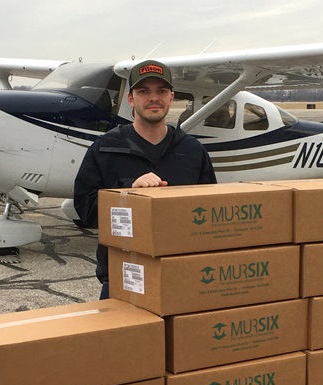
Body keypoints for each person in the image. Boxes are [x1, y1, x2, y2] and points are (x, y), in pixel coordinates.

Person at [74, 59, 217, 298]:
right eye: (143, 91)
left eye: (161, 91)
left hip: (180, 276)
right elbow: (85, 210)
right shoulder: (105, 147)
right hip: (121, 278)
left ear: (171, 97)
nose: (154, 98)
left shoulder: (193, 151)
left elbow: (210, 214)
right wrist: (128, 193)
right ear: (131, 99)